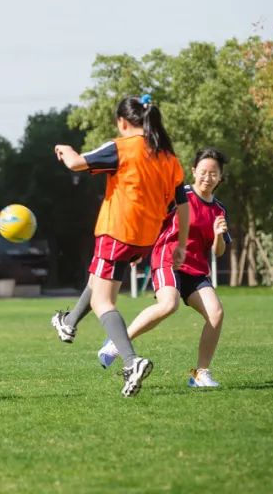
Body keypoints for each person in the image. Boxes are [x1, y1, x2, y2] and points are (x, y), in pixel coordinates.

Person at [50, 95, 189, 397]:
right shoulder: (168, 157)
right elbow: (182, 203)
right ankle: (69, 322)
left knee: (103, 302)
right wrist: (180, 243)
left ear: (123, 122)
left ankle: (131, 361)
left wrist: (65, 149)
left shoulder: (122, 147)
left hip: (116, 231)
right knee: (98, 280)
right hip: (144, 239)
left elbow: (76, 163)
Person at [98, 147, 230, 388]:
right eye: (203, 172)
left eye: (213, 173)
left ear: (220, 177)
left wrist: (219, 235)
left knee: (216, 313)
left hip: (196, 269)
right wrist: (137, 249)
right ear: (193, 171)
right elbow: (152, 220)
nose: (207, 177)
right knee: (169, 304)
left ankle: (200, 374)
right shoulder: (180, 197)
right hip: (167, 258)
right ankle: (118, 342)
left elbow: (218, 251)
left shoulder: (219, 210)